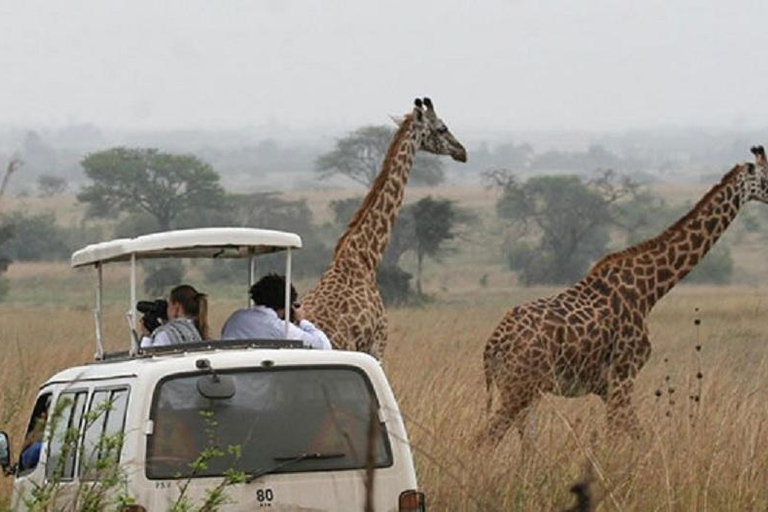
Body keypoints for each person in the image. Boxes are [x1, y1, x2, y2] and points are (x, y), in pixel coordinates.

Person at [222, 273, 332, 350]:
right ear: (286, 305)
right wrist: (301, 321)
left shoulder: (236, 318)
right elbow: (323, 346)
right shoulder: (279, 328)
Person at [141, 284, 209, 348]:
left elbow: (147, 357)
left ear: (176, 307)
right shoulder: (197, 332)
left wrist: (147, 336)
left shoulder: (166, 335)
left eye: (169, 306)